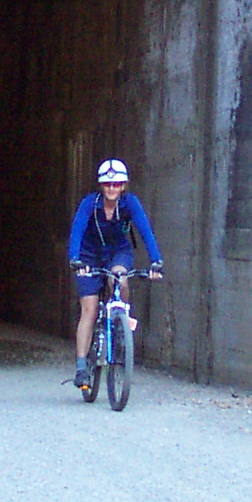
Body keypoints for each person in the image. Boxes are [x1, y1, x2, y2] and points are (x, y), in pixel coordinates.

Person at [67, 158, 163, 389]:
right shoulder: (90, 203)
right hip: (89, 255)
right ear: (102, 185)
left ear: (123, 185)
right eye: (108, 184)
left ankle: (120, 320)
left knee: (120, 278)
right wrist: (75, 260)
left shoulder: (130, 204)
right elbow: (77, 230)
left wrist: (156, 262)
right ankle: (82, 367)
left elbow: (145, 231)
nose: (112, 188)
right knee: (89, 309)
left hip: (118, 253)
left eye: (117, 184)